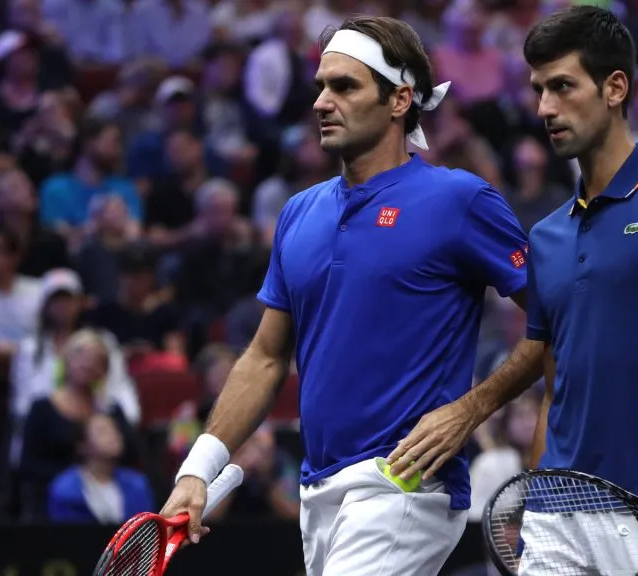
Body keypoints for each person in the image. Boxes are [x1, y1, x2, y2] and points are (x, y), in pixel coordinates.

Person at [391, 6, 638, 573]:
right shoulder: (545, 238)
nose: (545, 107)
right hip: (557, 522)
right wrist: (541, 496)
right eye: (539, 90)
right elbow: (555, 387)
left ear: (615, 87)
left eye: (562, 86)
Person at [159, 16, 533, 576]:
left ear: (400, 100)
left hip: (405, 483)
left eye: (344, 86)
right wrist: (198, 469)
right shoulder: (298, 212)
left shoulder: (460, 199)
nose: (321, 102)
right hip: (318, 493)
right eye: (320, 86)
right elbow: (264, 358)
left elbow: (560, 318)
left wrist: (470, 409)